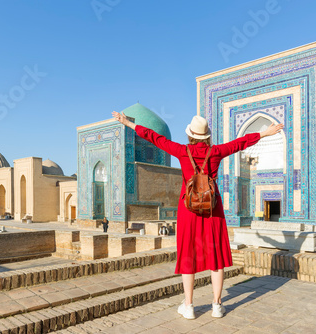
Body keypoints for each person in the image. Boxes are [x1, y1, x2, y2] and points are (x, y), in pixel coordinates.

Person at [113, 111, 283, 320]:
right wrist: (265, 133)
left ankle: (189, 305)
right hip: (213, 209)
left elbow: (154, 138)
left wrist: (128, 123)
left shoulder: (182, 151)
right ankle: (217, 305)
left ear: (191, 135)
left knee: (188, 256)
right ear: (207, 136)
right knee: (216, 258)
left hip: (188, 209)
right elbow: (240, 143)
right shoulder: (217, 151)